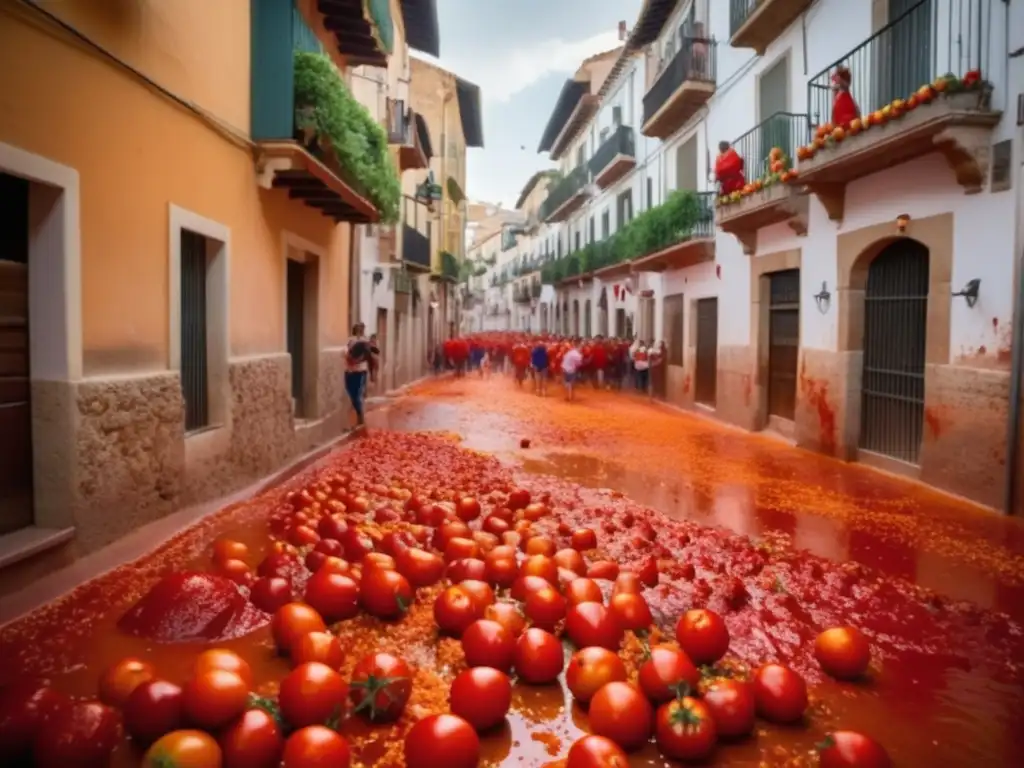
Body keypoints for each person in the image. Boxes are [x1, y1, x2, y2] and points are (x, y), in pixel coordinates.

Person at [344, 323, 371, 427]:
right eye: (358, 329)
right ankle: (358, 411)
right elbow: (346, 352)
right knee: (350, 391)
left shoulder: (365, 341)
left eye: (361, 329)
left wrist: (358, 360)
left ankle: (360, 415)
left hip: (360, 371)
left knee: (356, 394)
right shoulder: (350, 340)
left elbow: (367, 355)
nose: (360, 330)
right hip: (349, 371)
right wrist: (349, 358)